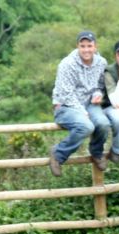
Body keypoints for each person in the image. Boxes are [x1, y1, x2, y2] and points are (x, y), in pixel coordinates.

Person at [49, 30, 110, 177]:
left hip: (89, 103)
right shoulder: (67, 64)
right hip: (66, 105)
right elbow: (65, 94)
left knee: (103, 123)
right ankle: (58, 153)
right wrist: (82, 111)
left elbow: (101, 85)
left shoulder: (101, 63)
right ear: (77, 46)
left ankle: (96, 153)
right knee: (86, 126)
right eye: (82, 46)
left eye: (89, 46)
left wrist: (98, 94)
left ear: (95, 47)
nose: (86, 49)